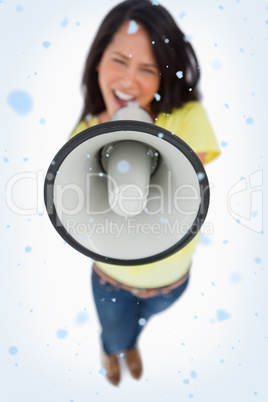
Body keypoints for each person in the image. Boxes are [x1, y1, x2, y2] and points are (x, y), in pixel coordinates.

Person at [69, 0, 220, 386]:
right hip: (111, 281)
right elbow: (79, 211)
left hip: (172, 283)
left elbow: (187, 184)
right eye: (119, 61)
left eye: (147, 69)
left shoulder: (187, 117)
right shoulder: (82, 136)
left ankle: (130, 343)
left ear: (164, 75)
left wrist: (136, 132)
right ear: (98, 62)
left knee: (141, 324)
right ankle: (114, 349)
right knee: (115, 330)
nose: (128, 80)